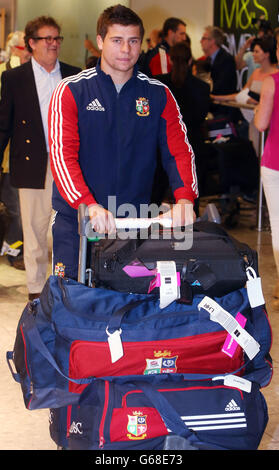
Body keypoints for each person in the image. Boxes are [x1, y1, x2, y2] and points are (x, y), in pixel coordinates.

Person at [48, 4, 198, 281]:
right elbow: (61, 156)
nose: (126, 50)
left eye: (133, 41)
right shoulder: (71, 91)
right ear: (101, 41)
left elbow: (177, 152)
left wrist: (185, 198)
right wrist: (88, 204)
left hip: (133, 221)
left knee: (126, 306)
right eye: (117, 40)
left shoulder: (158, 95)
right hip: (77, 222)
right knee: (70, 303)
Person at [0, 16, 81, 301]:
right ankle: (35, 292)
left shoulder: (74, 75)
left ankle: (65, 287)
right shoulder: (13, 78)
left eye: (57, 38)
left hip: (67, 164)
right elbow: (4, 125)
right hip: (30, 162)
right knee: (33, 231)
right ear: (31, 44)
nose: (54, 44)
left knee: (67, 228)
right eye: (47, 39)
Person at [155, 42, 210, 201]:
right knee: (190, 196)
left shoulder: (158, 84)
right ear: (191, 61)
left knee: (155, 195)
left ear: (170, 60)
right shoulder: (202, 87)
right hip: (192, 143)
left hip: (161, 143)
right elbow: (201, 116)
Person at [211, 36, 278, 154]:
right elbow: (241, 95)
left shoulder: (275, 75)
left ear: (267, 54)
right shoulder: (256, 72)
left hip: (271, 121)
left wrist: (259, 102)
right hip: (253, 120)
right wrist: (217, 97)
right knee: (255, 151)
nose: (253, 54)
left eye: (257, 51)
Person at [0, 31, 31, 270]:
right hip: (6, 154)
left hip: (17, 157)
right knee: (14, 209)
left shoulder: (31, 77)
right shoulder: (4, 75)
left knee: (17, 210)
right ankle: (12, 250)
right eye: (28, 47)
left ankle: (13, 249)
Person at [254, 38, 279, 310]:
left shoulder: (273, 81)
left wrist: (261, 107)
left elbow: (261, 123)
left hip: (275, 161)